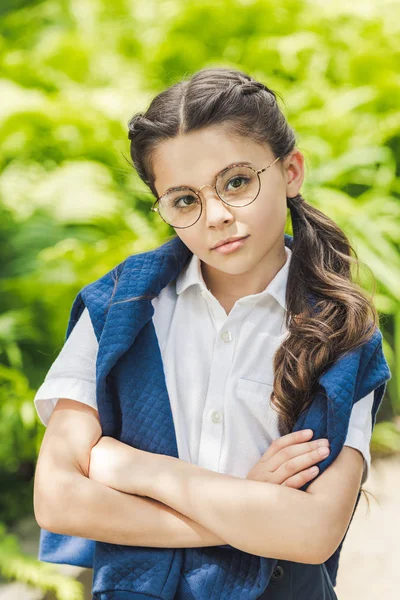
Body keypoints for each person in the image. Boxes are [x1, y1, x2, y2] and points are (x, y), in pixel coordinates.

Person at [33, 67, 390, 600]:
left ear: (290, 171)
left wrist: (136, 469)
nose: (216, 216)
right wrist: (249, 505)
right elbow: (59, 501)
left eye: (237, 182)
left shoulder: (341, 333)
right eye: (184, 200)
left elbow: (313, 533)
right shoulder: (117, 309)